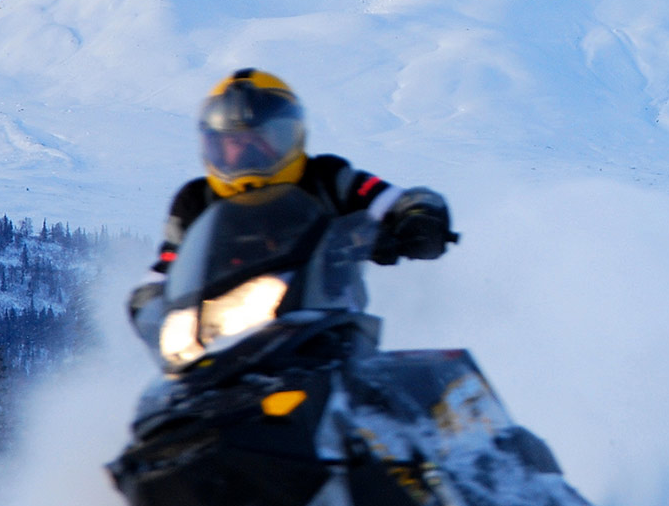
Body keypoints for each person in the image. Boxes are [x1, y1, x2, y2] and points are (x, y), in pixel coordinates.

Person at [127, 69, 454, 331]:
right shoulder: (195, 202)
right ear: (212, 145)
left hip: (327, 327)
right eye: (234, 141)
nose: (248, 150)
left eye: (262, 137)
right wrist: (149, 302)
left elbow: (396, 200)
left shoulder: (328, 178)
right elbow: (165, 267)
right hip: (221, 340)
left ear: (292, 136)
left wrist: (417, 217)